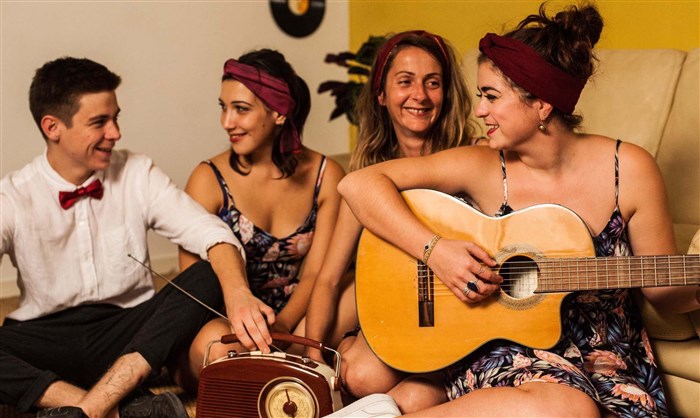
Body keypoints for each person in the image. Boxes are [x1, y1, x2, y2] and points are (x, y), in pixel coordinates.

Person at [335, 3, 700, 417]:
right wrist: (435, 250)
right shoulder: (482, 165)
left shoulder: (629, 169)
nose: (479, 111)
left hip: (608, 358)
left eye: (491, 96)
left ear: (541, 104)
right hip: (511, 348)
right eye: (480, 96)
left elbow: (661, 291)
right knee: (569, 409)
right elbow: (358, 184)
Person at [0, 57, 274, 418]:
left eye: (116, 118)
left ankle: (91, 407)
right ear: (53, 127)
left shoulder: (137, 172)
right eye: (99, 122)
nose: (115, 132)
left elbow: (210, 232)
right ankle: (114, 408)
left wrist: (238, 294)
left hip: (131, 335)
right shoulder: (12, 196)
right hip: (45, 338)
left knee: (210, 272)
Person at [302, 30, 477, 412]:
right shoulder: (366, 182)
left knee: (409, 398)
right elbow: (328, 278)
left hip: (468, 319)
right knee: (360, 374)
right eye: (405, 81)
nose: (420, 95)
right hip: (405, 314)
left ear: (447, 94)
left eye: (433, 83)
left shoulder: (472, 160)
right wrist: (313, 360)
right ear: (381, 95)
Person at [176, 49, 344, 389]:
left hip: (297, 317)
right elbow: (193, 285)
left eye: (241, 109)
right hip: (227, 322)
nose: (227, 122)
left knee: (350, 297)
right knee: (218, 349)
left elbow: (317, 274)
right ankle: (283, 370)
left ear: (279, 112)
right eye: (223, 107)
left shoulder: (326, 175)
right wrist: (251, 329)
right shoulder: (208, 179)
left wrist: (282, 327)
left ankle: (276, 368)